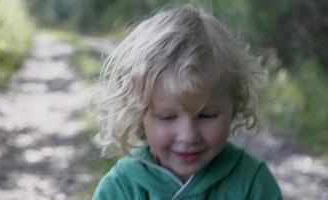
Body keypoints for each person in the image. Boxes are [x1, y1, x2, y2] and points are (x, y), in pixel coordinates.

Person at [91, 4, 282, 200]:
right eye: (167, 117)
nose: (188, 136)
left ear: (234, 106)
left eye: (207, 115)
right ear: (139, 115)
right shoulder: (120, 188)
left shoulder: (252, 182)